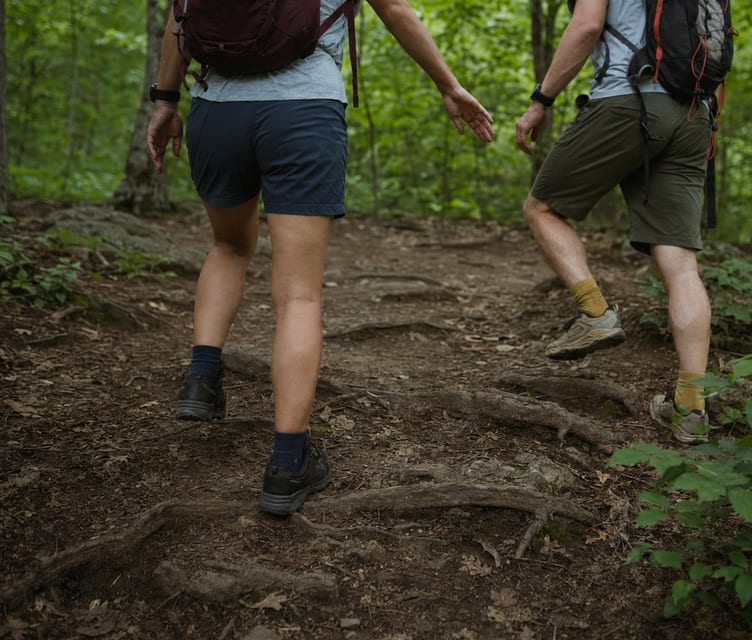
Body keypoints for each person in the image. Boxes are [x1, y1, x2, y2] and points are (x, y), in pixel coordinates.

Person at [147, 0, 495, 515]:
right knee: (299, 295)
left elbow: (179, 20)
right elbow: (397, 10)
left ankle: (201, 378)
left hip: (215, 111)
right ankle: (287, 465)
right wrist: (449, 85)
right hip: (303, 110)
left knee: (226, 246)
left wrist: (165, 103)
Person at [514, 0, 712, 443]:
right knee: (681, 266)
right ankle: (692, 409)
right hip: (695, 112)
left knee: (542, 208)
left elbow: (586, 26)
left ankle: (595, 312)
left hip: (630, 97)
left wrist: (540, 101)